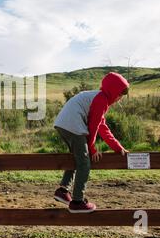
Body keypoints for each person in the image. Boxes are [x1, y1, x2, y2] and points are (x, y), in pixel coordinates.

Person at [53, 72, 130, 213]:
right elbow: (93, 127)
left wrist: (117, 147)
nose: (120, 98)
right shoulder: (101, 99)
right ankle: (77, 202)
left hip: (64, 123)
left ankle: (63, 190)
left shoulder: (99, 98)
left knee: (77, 157)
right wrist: (92, 148)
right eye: (119, 94)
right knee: (84, 162)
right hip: (73, 124)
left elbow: (102, 126)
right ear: (112, 90)